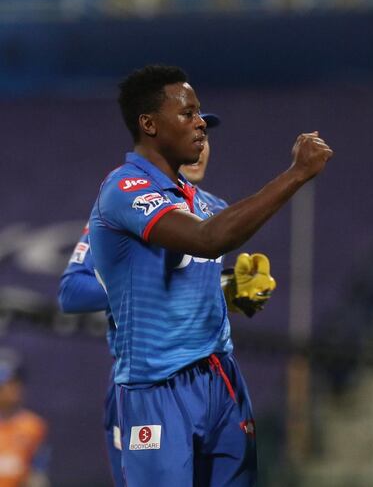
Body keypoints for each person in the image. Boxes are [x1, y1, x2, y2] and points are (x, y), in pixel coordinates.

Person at [87, 64, 331, 485]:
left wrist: (234, 289)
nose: (200, 124)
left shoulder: (205, 200)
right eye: (188, 114)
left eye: (199, 114)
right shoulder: (124, 191)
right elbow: (207, 239)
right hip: (157, 387)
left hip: (220, 376)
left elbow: (201, 259)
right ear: (148, 124)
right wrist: (296, 174)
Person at [58, 114, 275, 485]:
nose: (199, 146)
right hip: (149, 384)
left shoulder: (214, 209)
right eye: (187, 133)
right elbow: (72, 291)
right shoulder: (127, 203)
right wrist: (138, 289)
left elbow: (186, 289)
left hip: (209, 380)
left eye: (204, 136)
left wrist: (232, 292)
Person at [0, 349, 49, 487]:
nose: (13, 389)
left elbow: (37, 472)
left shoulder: (33, 426)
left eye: (16, 382)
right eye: (7, 384)